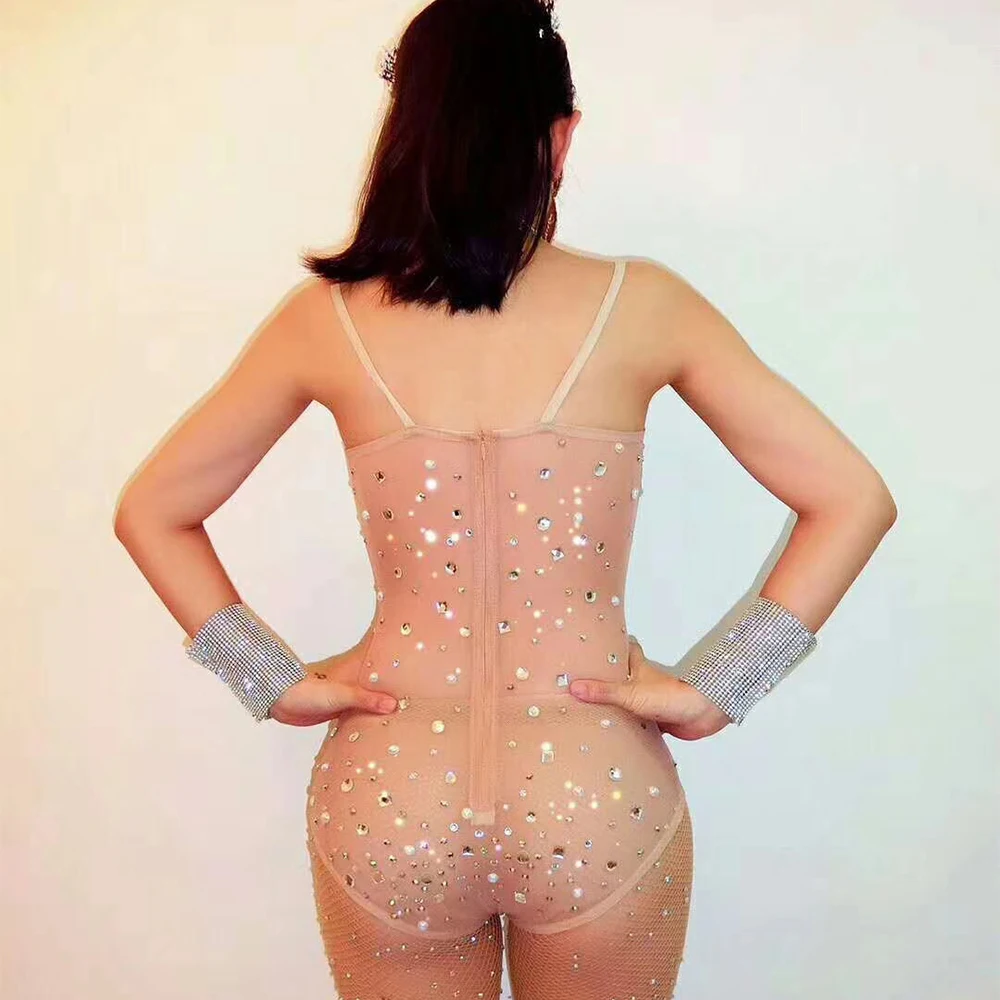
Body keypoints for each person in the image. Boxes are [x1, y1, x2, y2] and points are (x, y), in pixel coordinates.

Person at [112, 1, 898, 997]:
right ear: (559, 137)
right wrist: (718, 689)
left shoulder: (326, 320)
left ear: (410, 133)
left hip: (389, 793)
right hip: (595, 789)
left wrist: (271, 679)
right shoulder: (642, 305)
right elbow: (853, 497)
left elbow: (152, 510)